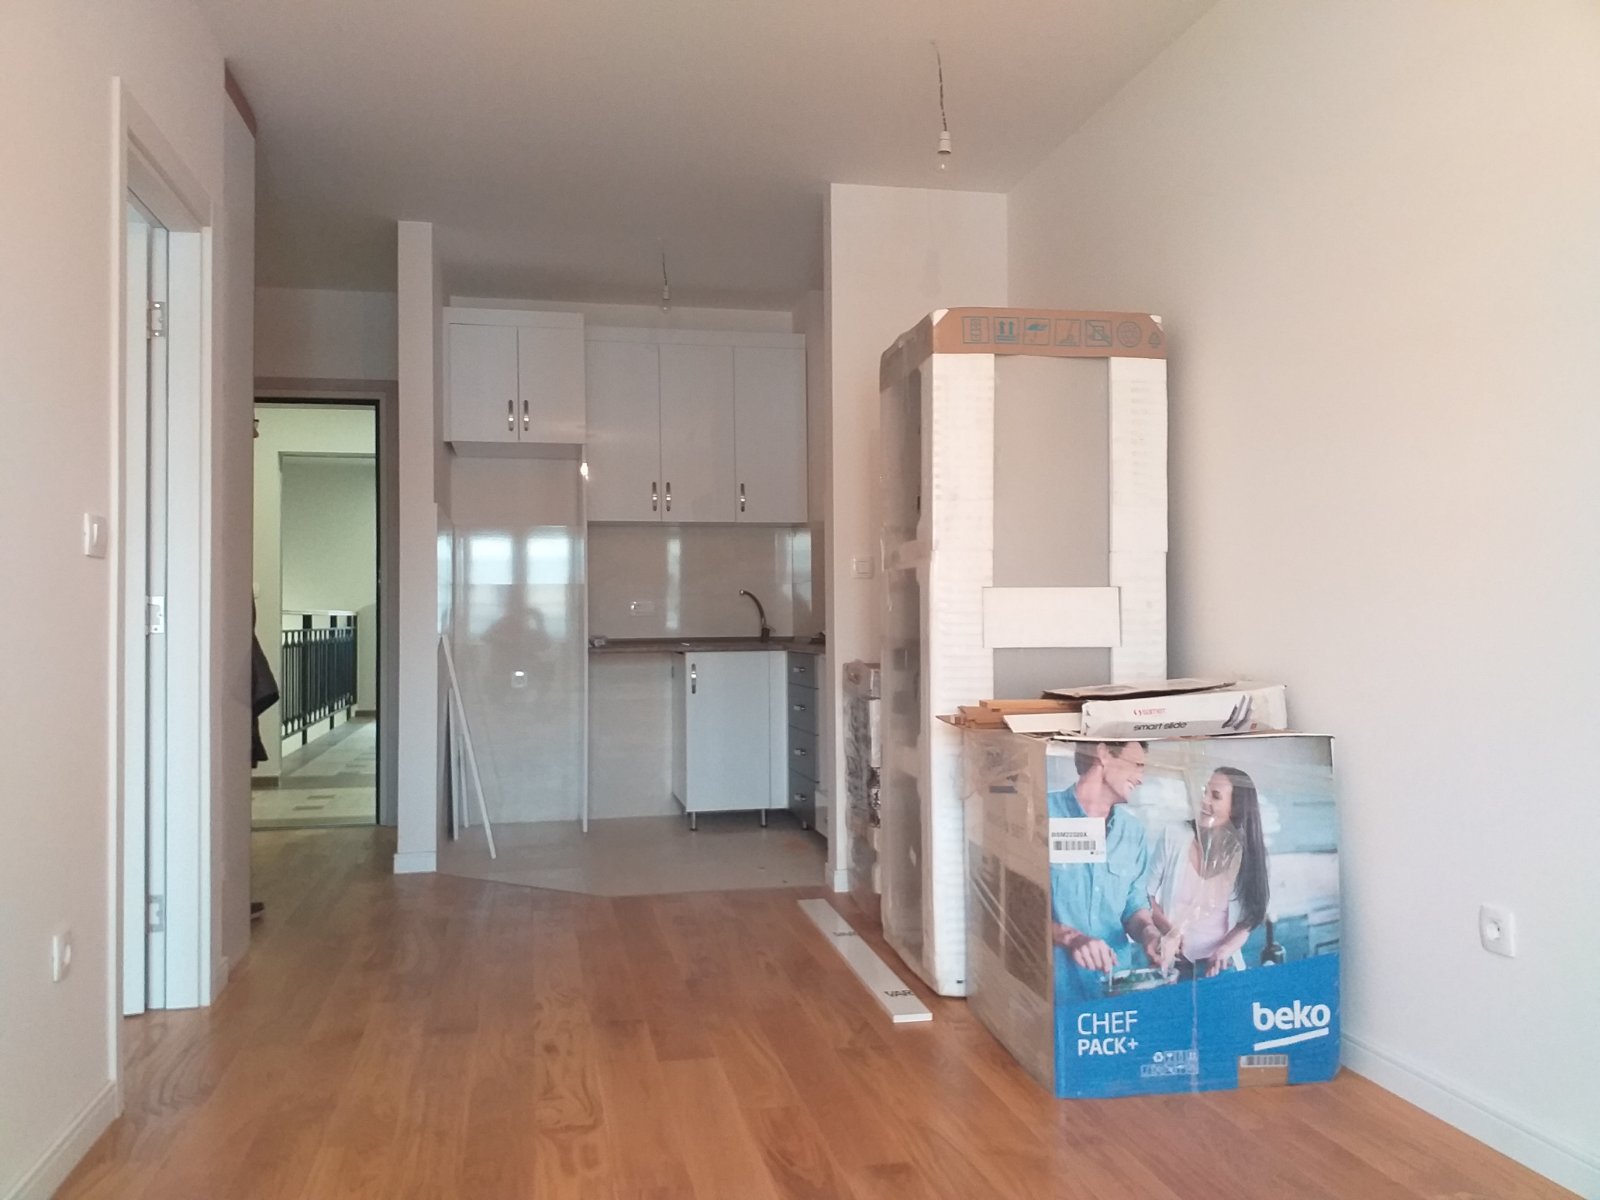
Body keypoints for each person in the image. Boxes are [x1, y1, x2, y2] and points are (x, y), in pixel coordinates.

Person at [1048, 741, 1162, 1001]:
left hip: (1114, 993)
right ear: (1103, 754)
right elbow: (1013, 912)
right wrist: (1071, 938)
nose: (1141, 778)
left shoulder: (1133, 832)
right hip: (1053, 995)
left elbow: (1134, 908)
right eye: (1137, 765)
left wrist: (1150, 933)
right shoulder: (1042, 815)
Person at [1147, 766, 1269, 978]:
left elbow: (1248, 919)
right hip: (1171, 963)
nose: (1204, 800)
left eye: (1215, 796)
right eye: (1205, 792)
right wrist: (1169, 931)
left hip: (1219, 967)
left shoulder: (1246, 855)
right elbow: (1145, 896)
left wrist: (1224, 950)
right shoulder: (1174, 835)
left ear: (1235, 808)